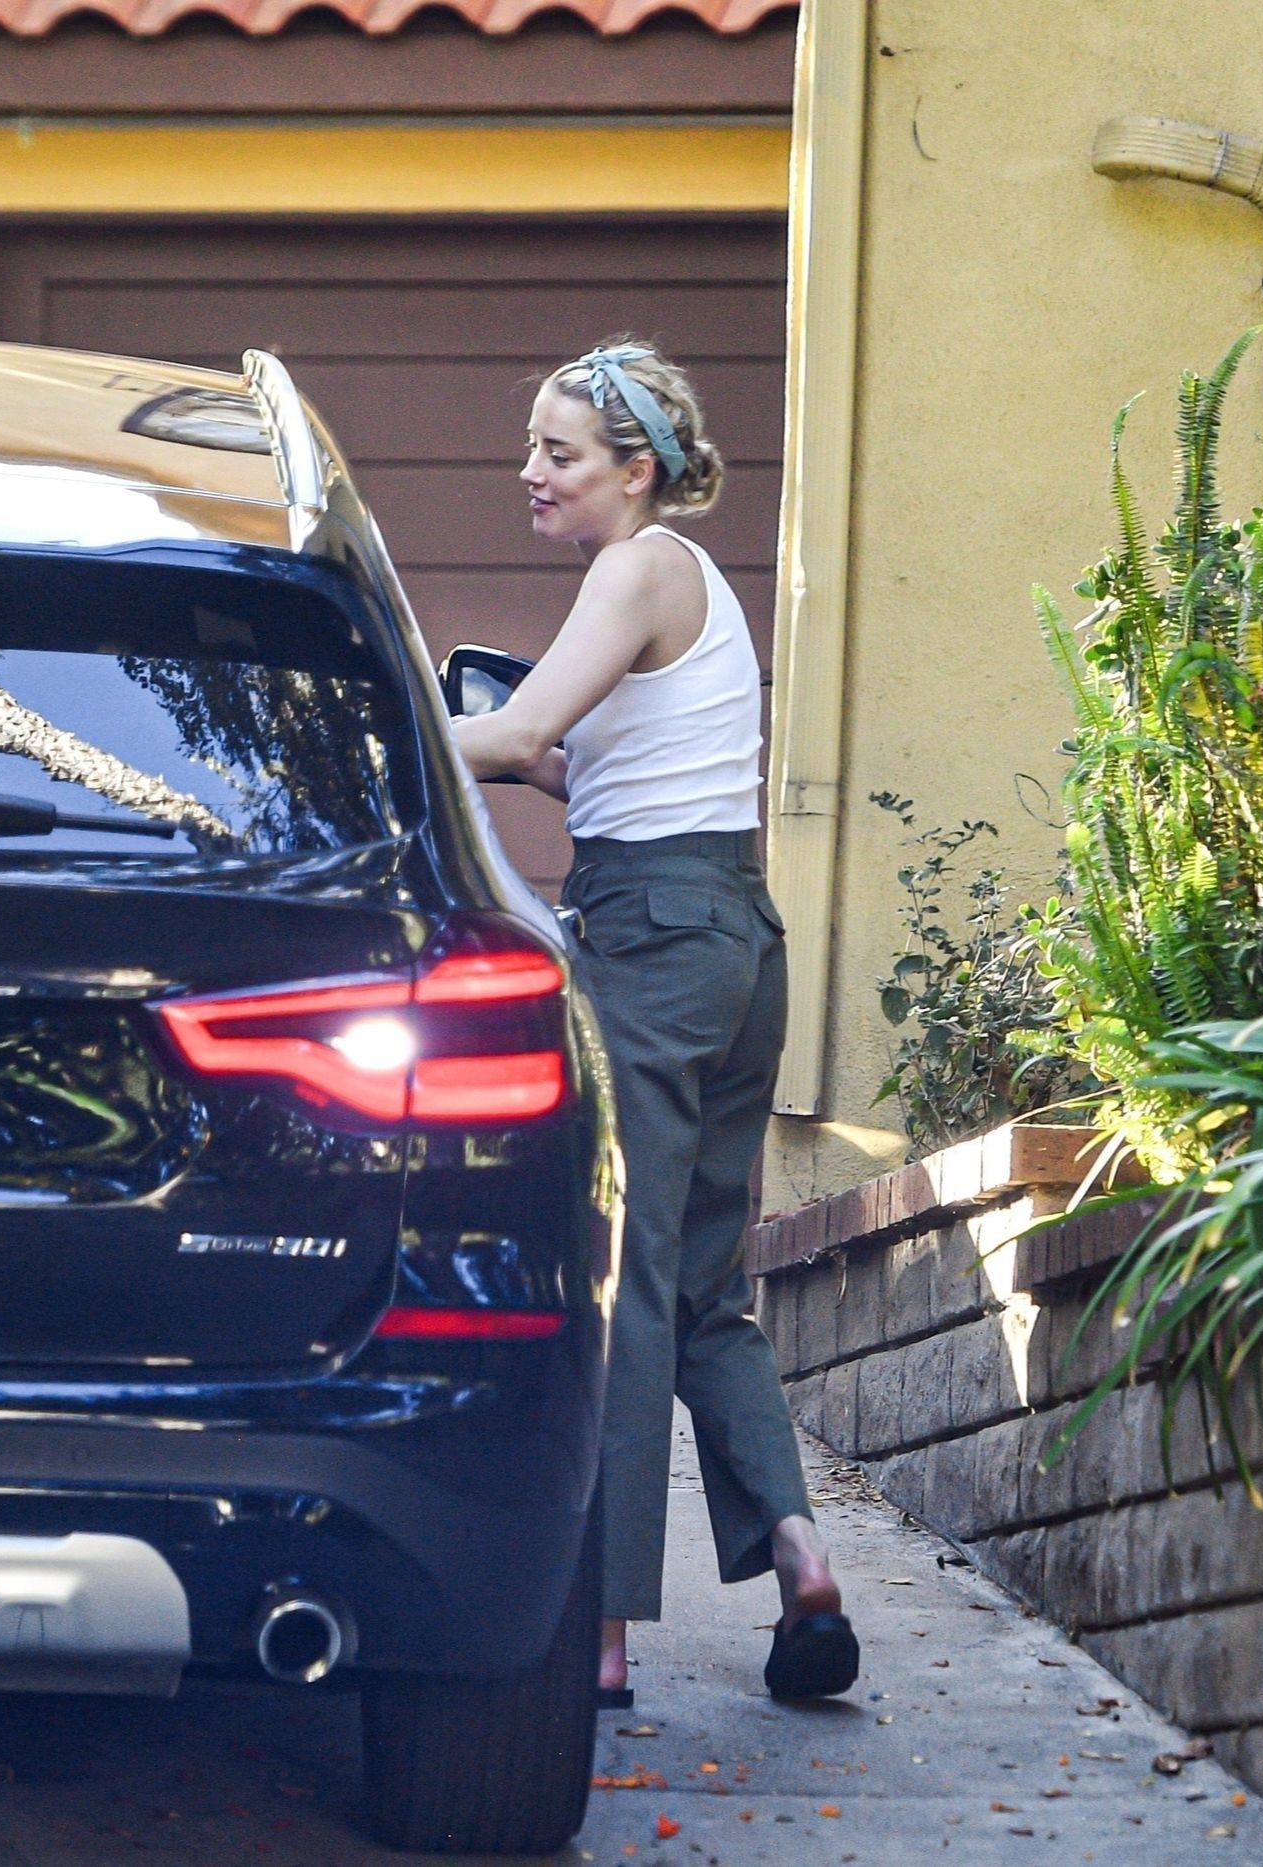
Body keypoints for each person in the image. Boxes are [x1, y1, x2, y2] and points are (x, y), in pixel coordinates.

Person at [448, 338, 861, 1708]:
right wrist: (535, 759)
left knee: (620, 1281)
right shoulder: (694, 584)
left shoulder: (633, 568)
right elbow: (597, 774)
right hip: (731, 936)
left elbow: (512, 738)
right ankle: (800, 1556)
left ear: (635, 470)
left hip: (654, 946)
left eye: (558, 452)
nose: (530, 471)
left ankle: (604, 1632)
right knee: (700, 1292)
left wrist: (369, 728)